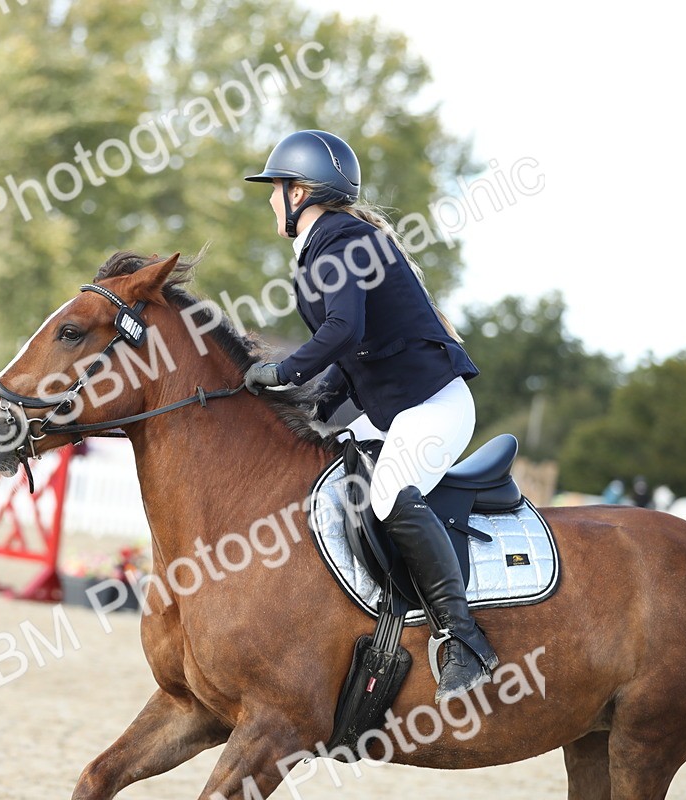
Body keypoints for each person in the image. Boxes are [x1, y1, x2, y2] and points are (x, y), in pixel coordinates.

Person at [242, 130, 497, 701]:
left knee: (386, 495)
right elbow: (356, 353)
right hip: (391, 411)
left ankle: (465, 641)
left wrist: (285, 373)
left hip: (432, 407)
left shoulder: (340, 241)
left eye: (276, 188)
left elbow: (343, 331)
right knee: (324, 478)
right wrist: (314, 403)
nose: (271, 199)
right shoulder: (327, 243)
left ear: (300, 192)